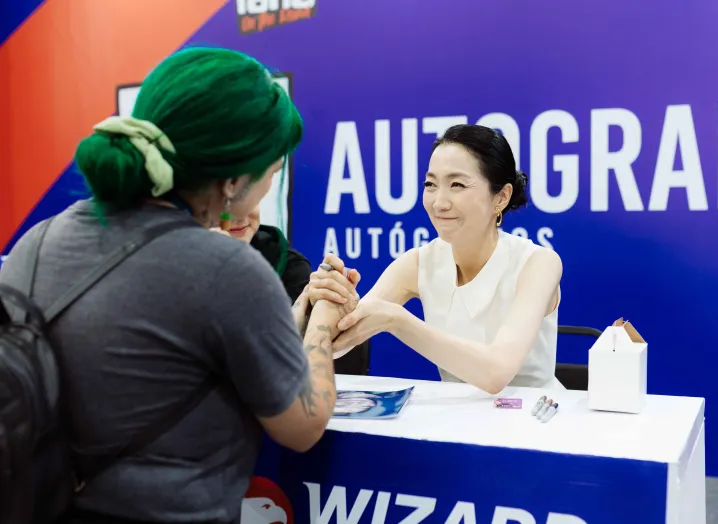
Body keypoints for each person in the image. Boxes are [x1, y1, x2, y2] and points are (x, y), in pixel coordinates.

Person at [0, 47, 347, 524]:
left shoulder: (35, 244)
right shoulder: (226, 270)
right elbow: (303, 426)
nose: (271, 184)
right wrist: (323, 317)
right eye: (272, 171)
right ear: (233, 180)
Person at [310, 124, 564, 394]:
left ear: (501, 197)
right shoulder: (419, 263)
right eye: (430, 184)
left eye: (457, 185)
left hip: (537, 415)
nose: (439, 202)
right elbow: (338, 344)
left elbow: (496, 373)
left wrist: (398, 321)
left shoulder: (539, 263)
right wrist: (324, 305)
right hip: (457, 415)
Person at [227, 205, 372, 375]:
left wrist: (331, 312)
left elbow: (339, 372)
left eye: (248, 197)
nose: (239, 213)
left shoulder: (285, 264)